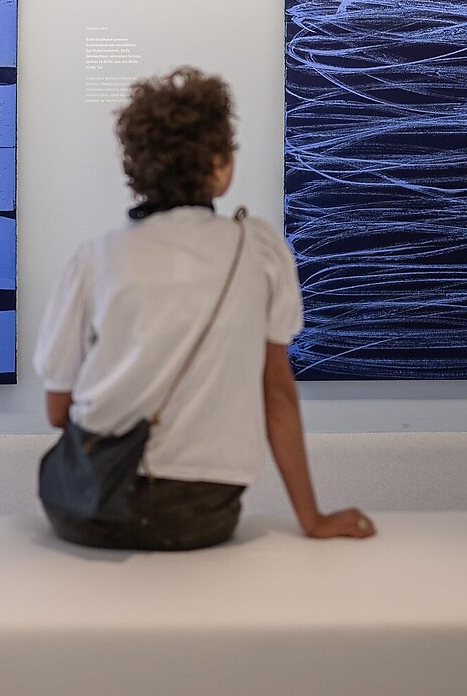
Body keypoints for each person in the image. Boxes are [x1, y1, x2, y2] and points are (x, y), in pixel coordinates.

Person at [33, 66, 376, 550]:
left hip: (86, 509)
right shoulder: (258, 249)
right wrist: (312, 519)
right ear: (220, 166)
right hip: (198, 513)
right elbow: (277, 393)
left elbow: (57, 411)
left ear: (137, 168)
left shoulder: (94, 258)